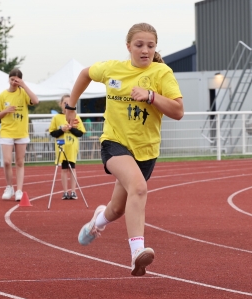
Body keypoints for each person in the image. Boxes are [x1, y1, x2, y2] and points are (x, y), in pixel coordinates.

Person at [66, 23, 184, 276]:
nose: (145, 50)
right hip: (114, 143)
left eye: (150, 46)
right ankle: (136, 254)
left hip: (146, 151)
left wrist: (151, 96)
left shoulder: (162, 72)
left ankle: (95, 223)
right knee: (139, 188)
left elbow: (178, 112)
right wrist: (70, 106)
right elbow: (86, 73)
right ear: (128, 46)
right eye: (139, 45)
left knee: (118, 208)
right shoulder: (112, 69)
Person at [0, 68, 39, 201]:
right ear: (9, 79)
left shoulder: (23, 93)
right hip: (7, 131)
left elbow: (36, 101)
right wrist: (6, 111)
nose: (14, 82)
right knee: (7, 161)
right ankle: (9, 186)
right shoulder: (2, 95)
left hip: (21, 132)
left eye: (17, 80)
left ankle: (19, 189)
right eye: (12, 79)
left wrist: (24, 85)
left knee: (19, 162)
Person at [48, 94, 86, 200]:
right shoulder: (56, 118)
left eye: (69, 103)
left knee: (72, 169)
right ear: (61, 104)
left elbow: (80, 133)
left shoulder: (76, 117)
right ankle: (65, 191)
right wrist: (62, 130)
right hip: (61, 147)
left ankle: (73, 191)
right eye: (65, 103)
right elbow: (52, 133)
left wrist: (71, 129)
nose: (67, 105)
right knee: (64, 169)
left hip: (72, 147)